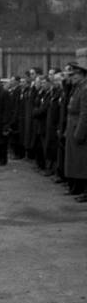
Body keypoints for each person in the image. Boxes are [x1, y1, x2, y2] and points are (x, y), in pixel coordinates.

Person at [63, 59, 87, 202]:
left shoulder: (84, 89)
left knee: (83, 162)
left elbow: (85, 113)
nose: (72, 78)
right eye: (71, 75)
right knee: (76, 162)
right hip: (73, 125)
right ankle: (78, 188)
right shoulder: (78, 87)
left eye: (75, 75)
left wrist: (80, 132)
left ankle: (85, 191)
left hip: (79, 127)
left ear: (83, 75)